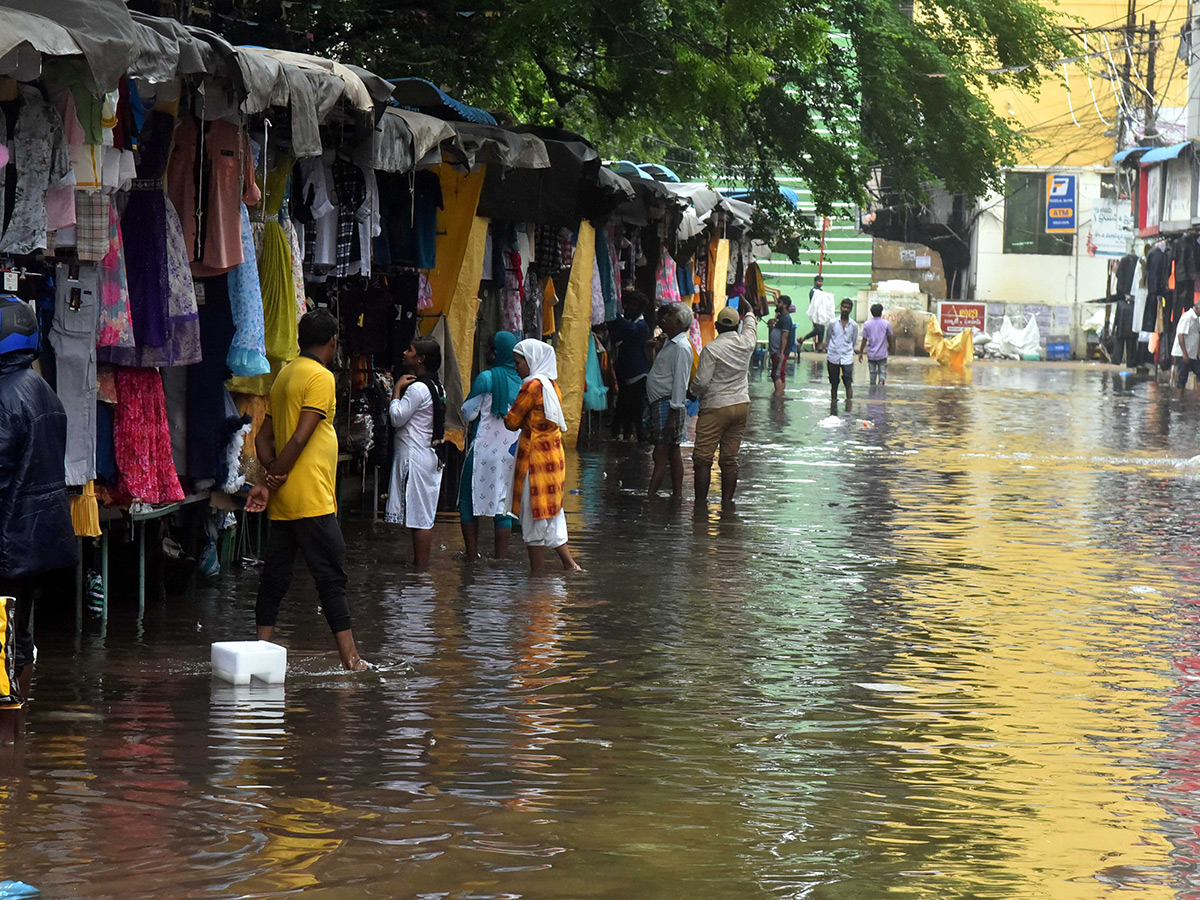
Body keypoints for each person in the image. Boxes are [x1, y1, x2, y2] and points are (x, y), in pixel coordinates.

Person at [245, 309, 368, 671]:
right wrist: (273, 479)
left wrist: (270, 478)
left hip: (284, 501)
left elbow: (262, 438)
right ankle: (351, 660)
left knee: (275, 578)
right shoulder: (321, 377)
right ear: (332, 341)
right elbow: (301, 436)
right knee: (331, 575)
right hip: (311, 496)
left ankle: (258, 654)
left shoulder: (284, 375)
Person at [0, 297, 77, 733]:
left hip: (8, 536)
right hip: (37, 538)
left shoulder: (5, 397)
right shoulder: (44, 393)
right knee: (19, 630)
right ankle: (15, 727)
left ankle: (7, 730)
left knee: (3, 632)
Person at [504, 340, 581, 573]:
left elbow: (511, 421)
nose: (515, 367)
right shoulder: (551, 385)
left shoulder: (532, 387)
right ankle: (570, 566)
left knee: (534, 516)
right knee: (552, 513)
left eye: (518, 362)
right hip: (554, 459)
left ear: (531, 361)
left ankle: (536, 579)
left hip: (535, 460)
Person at [460, 331, 521, 560]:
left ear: (495, 352)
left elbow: (468, 413)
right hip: (510, 453)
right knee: (502, 507)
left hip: (483, 450)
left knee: (468, 500)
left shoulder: (486, 378)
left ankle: (472, 557)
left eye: (489, 349)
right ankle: (501, 559)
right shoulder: (524, 380)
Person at [387, 338, 447, 568]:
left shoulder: (418, 388)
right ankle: (418, 571)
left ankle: (419, 572)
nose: (404, 352)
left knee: (420, 519)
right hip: (427, 456)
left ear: (420, 359)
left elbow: (397, 417)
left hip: (416, 457)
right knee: (420, 516)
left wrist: (396, 390)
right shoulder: (436, 386)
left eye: (410, 350)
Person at [690, 304, 757, 507]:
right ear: (737, 327)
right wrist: (750, 312)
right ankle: (727, 505)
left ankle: (700, 506)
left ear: (717, 326)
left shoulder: (712, 349)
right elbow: (751, 328)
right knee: (729, 459)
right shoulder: (747, 343)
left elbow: (701, 383)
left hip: (716, 407)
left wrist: (690, 392)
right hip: (741, 405)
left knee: (703, 459)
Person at [645, 302, 694, 499]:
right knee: (672, 452)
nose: (665, 317)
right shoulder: (670, 343)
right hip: (662, 403)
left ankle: (650, 496)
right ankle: (676, 495)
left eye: (671, 315)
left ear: (679, 322)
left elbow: (680, 384)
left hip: (668, 405)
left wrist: (673, 414)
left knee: (661, 453)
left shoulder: (681, 347)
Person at [603, 290, 652, 441]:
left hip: (637, 373)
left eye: (632, 305)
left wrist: (613, 312)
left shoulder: (641, 326)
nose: (628, 308)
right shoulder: (631, 324)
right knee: (623, 405)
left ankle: (638, 436)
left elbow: (628, 330)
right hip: (626, 372)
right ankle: (622, 434)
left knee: (635, 407)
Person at [826, 298, 859, 414]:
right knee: (834, 383)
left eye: (848, 307)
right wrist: (830, 349)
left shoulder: (854, 325)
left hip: (847, 357)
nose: (845, 309)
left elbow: (854, 341)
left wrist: (849, 351)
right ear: (840, 308)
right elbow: (828, 337)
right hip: (833, 356)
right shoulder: (832, 323)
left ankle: (848, 408)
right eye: (843, 307)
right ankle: (833, 408)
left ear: (851, 309)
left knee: (848, 382)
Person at [857, 303, 896, 385]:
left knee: (872, 373)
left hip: (871, 354)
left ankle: (873, 388)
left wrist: (860, 352)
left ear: (871, 313)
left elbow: (864, 339)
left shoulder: (867, 324)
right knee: (882, 372)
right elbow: (890, 337)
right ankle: (881, 383)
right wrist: (891, 347)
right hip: (882, 353)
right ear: (881, 312)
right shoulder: (886, 324)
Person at [768, 296, 794, 397]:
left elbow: (785, 336)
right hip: (776, 351)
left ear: (785, 305)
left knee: (777, 374)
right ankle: (779, 396)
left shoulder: (786, 319)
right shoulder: (781, 317)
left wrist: (781, 352)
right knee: (777, 373)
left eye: (779, 302)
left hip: (779, 352)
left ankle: (779, 397)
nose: (777, 304)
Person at [1172, 296, 1200, 390]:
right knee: (1182, 379)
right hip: (1183, 354)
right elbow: (1181, 335)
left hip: (1192, 354)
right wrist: (1184, 353)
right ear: (1197, 308)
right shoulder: (1187, 317)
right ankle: (1179, 400)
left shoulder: (1196, 318)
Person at [798, 275, 828, 351]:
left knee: (822, 328)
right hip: (815, 313)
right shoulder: (813, 291)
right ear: (815, 282)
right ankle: (803, 338)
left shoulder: (821, 291)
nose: (820, 283)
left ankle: (819, 347)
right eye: (819, 281)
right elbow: (815, 303)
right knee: (818, 329)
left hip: (821, 313)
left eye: (821, 281)